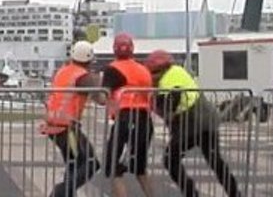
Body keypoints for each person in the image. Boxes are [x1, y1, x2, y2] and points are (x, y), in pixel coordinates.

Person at [145, 50, 242, 197]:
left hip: (191, 125)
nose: (151, 77)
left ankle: (191, 194)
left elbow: (172, 99)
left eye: (153, 73)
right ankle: (235, 194)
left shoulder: (168, 79)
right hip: (207, 121)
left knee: (170, 160)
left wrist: (160, 107)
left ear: (159, 69)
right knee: (216, 161)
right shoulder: (178, 71)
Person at [40, 40, 102, 197]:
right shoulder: (83, 77)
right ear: (89, 60)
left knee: (73, 165)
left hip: (54, 123)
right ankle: (59, 193)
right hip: (67, 128)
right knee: (91, 163)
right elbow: (100, 99)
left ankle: (66, 194)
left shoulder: (63, 71)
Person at [103, 33, 155, 197]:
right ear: (132, 48)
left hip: (125, 118)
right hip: (145, 119)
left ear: (114, 50)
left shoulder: (113, 69)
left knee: (112, 166)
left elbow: (103, 94)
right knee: (140, 168)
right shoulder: (143, 70)